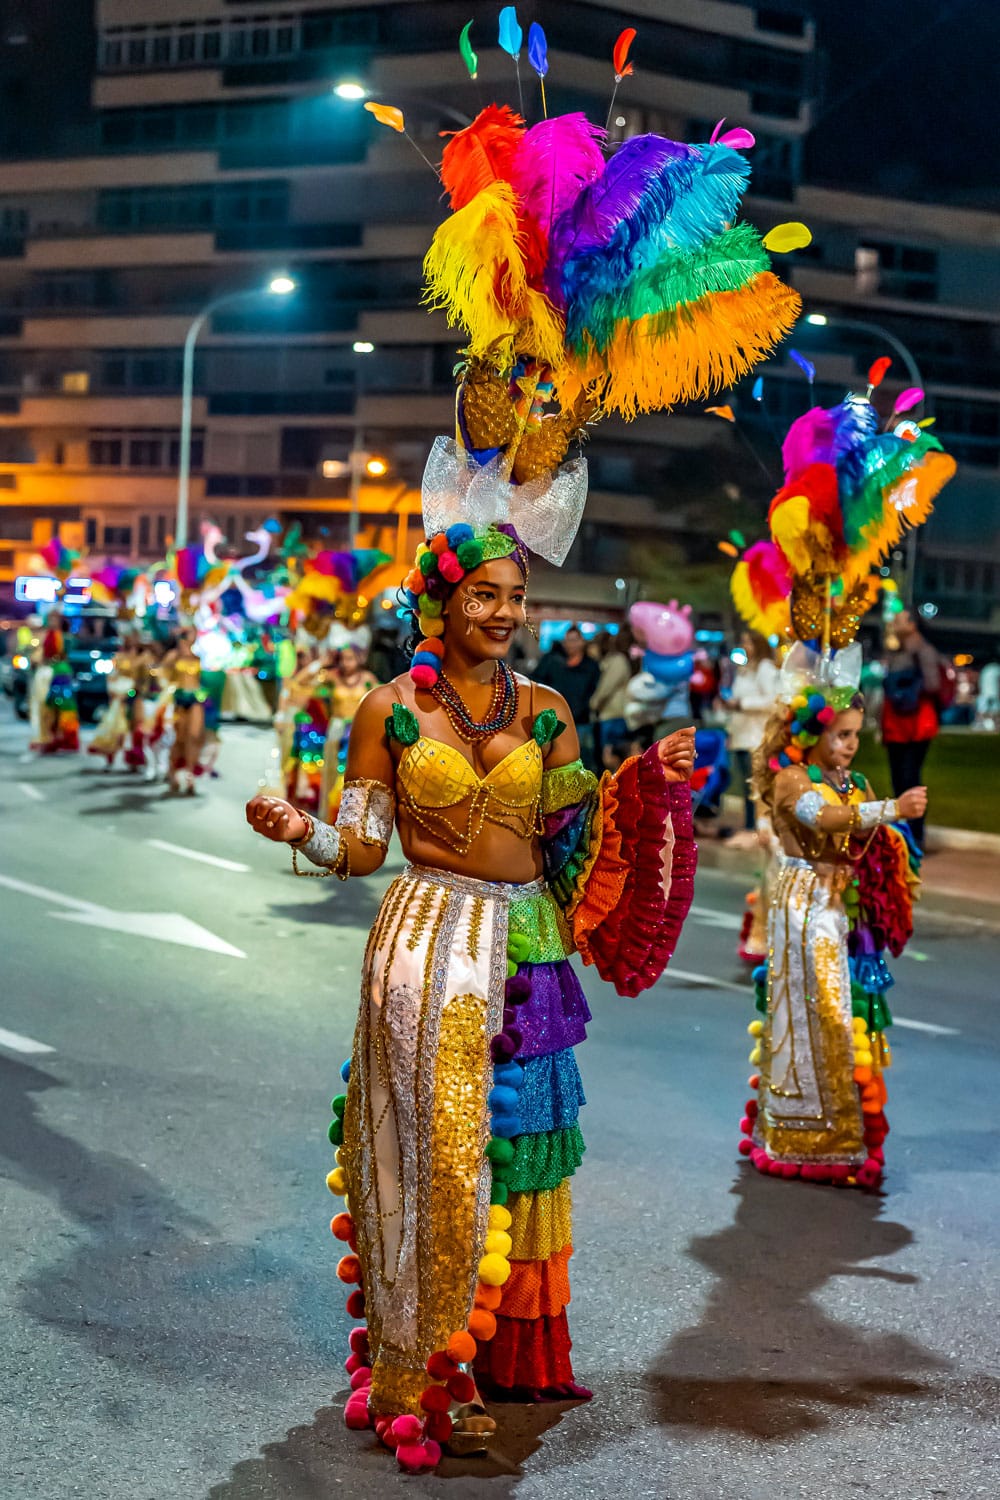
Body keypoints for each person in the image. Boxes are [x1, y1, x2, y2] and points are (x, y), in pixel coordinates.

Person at [246, 526, 697, 1471]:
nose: (504, 613)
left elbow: (578, 837)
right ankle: (423, 1361)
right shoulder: (386, 710)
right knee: (432, 1152)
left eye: (515, 597)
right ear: (439, 602)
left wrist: (650, 786)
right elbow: (365, 849)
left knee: (516, 1151)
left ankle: (496, 1352)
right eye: (484, 595)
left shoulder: (549, 710)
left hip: (525, 947)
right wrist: (303, 829)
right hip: (424, 943)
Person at [742, 678, 925, 1188]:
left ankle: (835, 1134)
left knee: (848, 1011)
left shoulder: (853, 780)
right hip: (805, 902)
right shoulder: (791, 780)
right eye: (841, 734)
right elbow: (822, 819)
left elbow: (860, 832)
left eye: (855, 735)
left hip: (844, 905)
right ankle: (805, 1134)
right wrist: (893, 809)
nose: (849, 744)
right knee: (818, 1010)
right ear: (808, 733)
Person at [881, 609, 940, 847]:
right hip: (896, 723)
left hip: (916, 723)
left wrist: (907, 689)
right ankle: (904, 832)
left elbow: (933, 684)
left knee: (909, 778)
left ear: (913, 625)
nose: (895, 623)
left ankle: (915, 835)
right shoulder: (898, 652)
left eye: (900, 620)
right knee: (898, 779)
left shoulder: (923, 651)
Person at [726, 631, 780, 846]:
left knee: (756, 787)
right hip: (741, 735)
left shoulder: (765, 669)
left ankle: (757, 829)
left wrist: (743, 704)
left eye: (749, 641)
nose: (745, 645)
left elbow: (772, 700)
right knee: (746, 786)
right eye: (744, 641)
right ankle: (750, 828)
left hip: (756, 737)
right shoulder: (745, 670)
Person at [320, 641, 381, 820]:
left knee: (357, 774)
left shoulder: (368, 678)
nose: (346, 663)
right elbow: (302, 684)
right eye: (342, 659)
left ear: (359, 659)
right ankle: (330, 815)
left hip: (358, 733)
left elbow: (381, 702)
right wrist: (322, 663)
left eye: (350, 658)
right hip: (336, 732)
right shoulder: (331, 677)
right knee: (332, 772)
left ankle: (355, 816)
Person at [533, 626, 600, 769]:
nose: (571, 644)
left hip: (581, 721)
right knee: (557, 762)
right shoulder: (554, 662)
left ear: (582, 642)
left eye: (575, 640)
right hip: (557, 721)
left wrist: (584, 707)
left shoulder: (591, 666)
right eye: (568, 640)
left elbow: (594, 691)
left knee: (583, 761)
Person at [160, 626, 208, 795]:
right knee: (178, 738)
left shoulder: (197, 657)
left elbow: (201, 679)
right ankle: (173, 772)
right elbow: (161, 675)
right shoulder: (174, 656)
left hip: (194, 700)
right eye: (190, 634)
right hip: (178, 700)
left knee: (194, 736)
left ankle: (190, 774)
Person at [31, 610, 79, 755]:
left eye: (55, 618)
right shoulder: (43, 636)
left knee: (64, 706)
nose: (53, 621)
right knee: (47, 706)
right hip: (46, 674)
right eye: (51, 618)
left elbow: (67, 652)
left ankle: (64, 737)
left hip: (60, 673)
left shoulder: (65, 638)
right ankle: (48, 737)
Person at [589, 626, 634, 762]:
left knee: (612, 758)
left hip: (615, 715)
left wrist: (593, 703)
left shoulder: (617, 661)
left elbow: (606, 687)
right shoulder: (608, 661)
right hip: (608, 715)